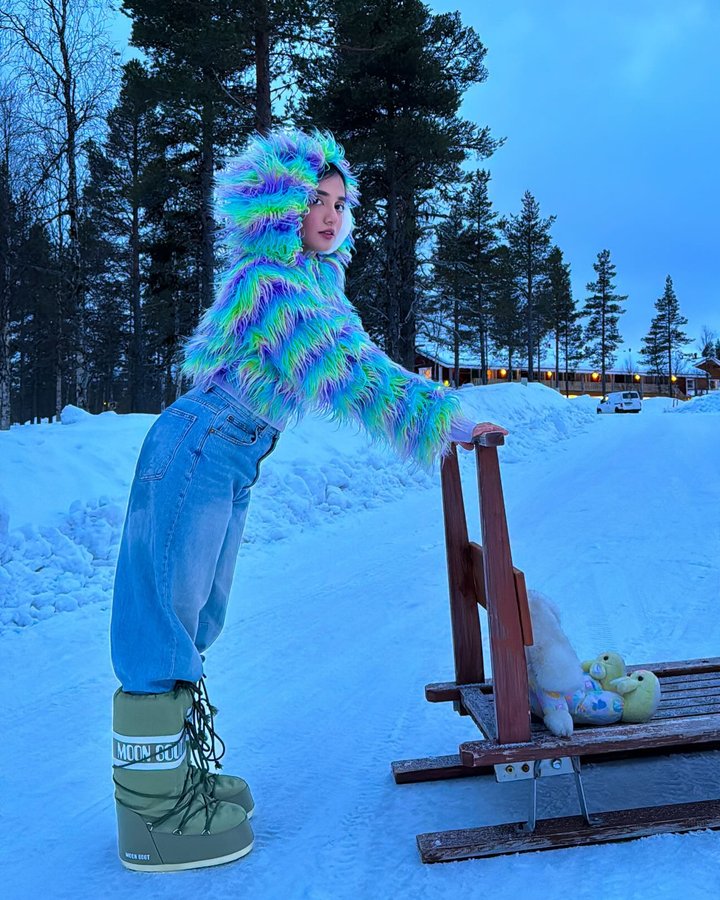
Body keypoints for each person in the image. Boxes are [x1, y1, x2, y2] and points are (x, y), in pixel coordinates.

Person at [109, 128, 508, 873]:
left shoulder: (320, 284)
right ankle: (152, 817)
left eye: (335, 202)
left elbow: (365, 356)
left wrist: (448, 417)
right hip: (197, 442)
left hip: (231, 451)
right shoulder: (271, 283)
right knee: (161, 617)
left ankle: (175, 776)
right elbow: (349, 373)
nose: (327, 215)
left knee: (198, 617)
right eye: (310, 200)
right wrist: (444, 420)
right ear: (274, 206)